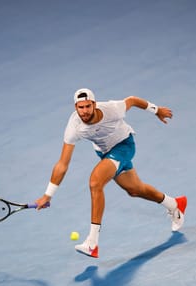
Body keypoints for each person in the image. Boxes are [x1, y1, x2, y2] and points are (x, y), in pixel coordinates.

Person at [35, 88, 187, 258]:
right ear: (75, 107)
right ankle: (175, 204)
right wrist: (48, 195)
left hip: (124, 146)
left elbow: (132, 100)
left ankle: (92, 243)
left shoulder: (112, 109)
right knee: (135, 189)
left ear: (94, 104)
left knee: (95, 182)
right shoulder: (74, 126)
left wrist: (156, 110)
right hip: (105, 152)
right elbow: (62, 164)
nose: (84, 111)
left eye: (87, 106)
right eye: (80, 107)